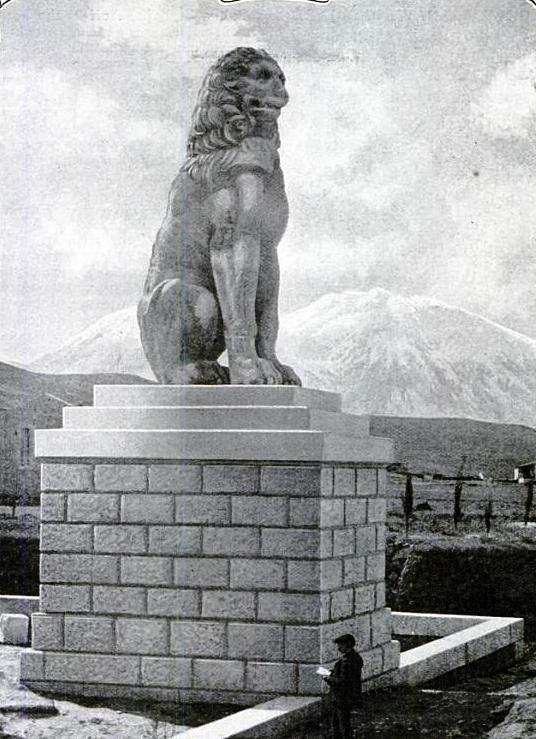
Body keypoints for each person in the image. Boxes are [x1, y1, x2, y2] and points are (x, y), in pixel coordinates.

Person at [323, 633, 364, 739]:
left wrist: (328, 678)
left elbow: (342, 681)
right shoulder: (355, 657)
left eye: (341, 645)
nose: (339, 647)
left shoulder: (346, 661)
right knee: (343, 723)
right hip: (348, 696)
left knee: (340, 724)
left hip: (341, 697)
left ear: (348, 645)